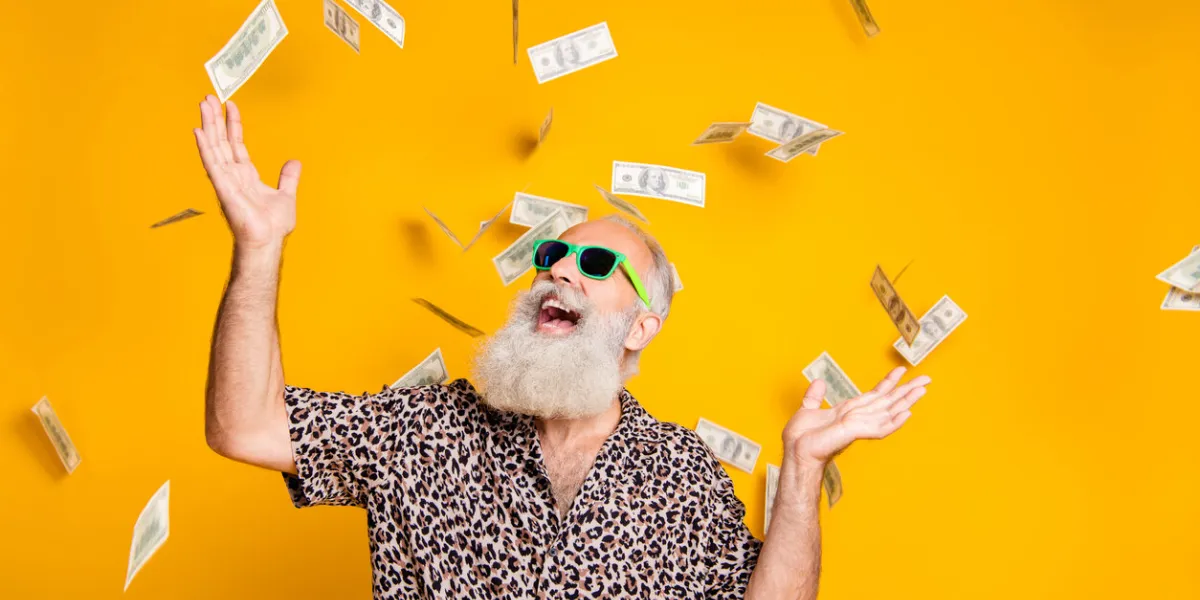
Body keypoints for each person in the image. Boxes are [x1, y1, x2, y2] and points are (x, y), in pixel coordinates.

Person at [193, 95, 931, 599]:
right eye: (552, 255)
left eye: (598, 264)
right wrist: (259, 248)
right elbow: (244, 427)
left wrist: (801, 471)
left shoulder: (684, 478)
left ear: (641, 327)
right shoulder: (426, 430)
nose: (560, 268)